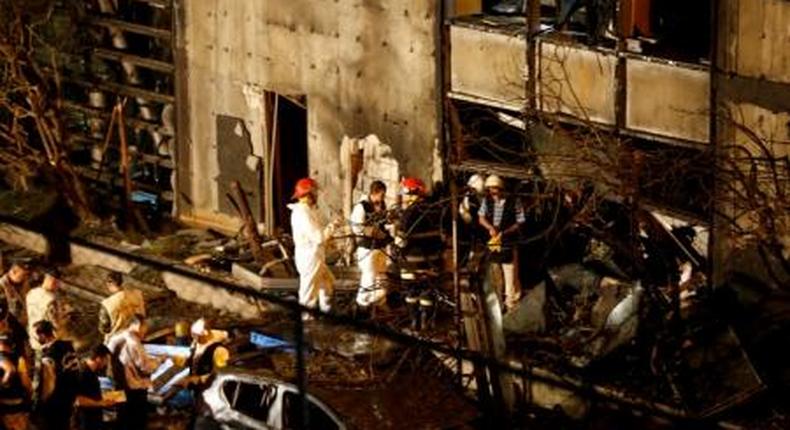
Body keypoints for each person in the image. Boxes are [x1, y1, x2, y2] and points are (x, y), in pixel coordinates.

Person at [393, 177, 445, 331]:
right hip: (433, 261)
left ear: (411, 193)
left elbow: (401, 241)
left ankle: (414, 322)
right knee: (427, 292)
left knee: (411, 292)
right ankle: (426, 322)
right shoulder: (437, 209)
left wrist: (394, 243)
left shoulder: (409, 212)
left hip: (411, 262)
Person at [288, 178, 335, 318]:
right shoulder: (303, 214)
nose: (317, 196)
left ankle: (327, 315)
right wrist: (332, 227)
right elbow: (319, 237)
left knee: (327, 284)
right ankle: (307, 326)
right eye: (315, 193)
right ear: (309, 194)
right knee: (308, 295)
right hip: (310, 258)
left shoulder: (307, 211)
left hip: (315, 256)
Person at [478, 175, 526, 312]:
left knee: (511, 274)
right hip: (493, 242)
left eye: (495, 188)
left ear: (501, 188)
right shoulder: (486, 201)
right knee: (495, 273)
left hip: (509, 241)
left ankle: (512, 305)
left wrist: (505, 232)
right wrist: (490, 228)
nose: (493, 192)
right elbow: (481, 218)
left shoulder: (513, 201)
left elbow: (520, 221)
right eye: (490, 189)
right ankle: (497, 306)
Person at [107, 315, 163, 430]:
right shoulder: (134, 342)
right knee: (136, 420)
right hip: (134, 388)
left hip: (118, 384)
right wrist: (159, 360)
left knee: (122, 417)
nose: (146, 331)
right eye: (145, 326)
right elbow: (145, 366)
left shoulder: (115, 337)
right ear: (138, 325)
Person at [350, 180, 392, 311]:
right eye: (382, 194)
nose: (383, 197)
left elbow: (384, 223)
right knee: (369, 278)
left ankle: (380, 303)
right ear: (375, 192)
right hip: (367, 249)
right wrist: (371, 231)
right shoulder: (361, 207)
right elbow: (356, 227)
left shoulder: (382, 205)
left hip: (380, 248)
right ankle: (361, 305)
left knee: (381, 277)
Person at [31, 320, 78, 430]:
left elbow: (50, 381)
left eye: (35, 336)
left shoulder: (49, 355)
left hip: (54, 404)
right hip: (69, 400)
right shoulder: (68, 347)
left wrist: (42, 400)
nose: (35, 340)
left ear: (42, 335)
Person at [73, 345, 118, 430]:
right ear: (98, 358)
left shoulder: (94, 371)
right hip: (85, 421)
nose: (106, 363)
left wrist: (112, 397)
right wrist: (100, 403)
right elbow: (78, 400)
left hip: (94, 420)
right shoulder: (82, 373)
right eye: (106, 360)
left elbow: (91, 393)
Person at [26, 268, 69, 351]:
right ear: (53, 281)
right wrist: (66, 317)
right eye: (57, 282)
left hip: (33, 336)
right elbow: (55, 323)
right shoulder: (51, 300)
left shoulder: (32, 293)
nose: (58, 285)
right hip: (48, 342)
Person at [98, 270, 145, 344]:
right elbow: (142, 315)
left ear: (110, 284)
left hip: (116, 340)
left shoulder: (107, 304)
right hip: (137, 335)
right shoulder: (137, 294)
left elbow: (104, 329)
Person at [185, 319, 230, 390]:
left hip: (208, 387)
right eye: (193, 335)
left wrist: (201, 378)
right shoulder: (196, 343)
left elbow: (222, 372)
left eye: (196, 335)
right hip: (194, 381)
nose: (193, 338)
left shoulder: (219, 350)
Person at [0, 335, 31, 430]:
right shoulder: (20, 359)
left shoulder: (0, 357)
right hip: (18, 403)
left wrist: (3, 385)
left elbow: (10, 369)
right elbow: (26, 383)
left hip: (4, 404)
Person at [0, 260, 31, 326]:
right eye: (23, 275)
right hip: (8, 325)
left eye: (26, 275)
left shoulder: (24, 283)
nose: (25, 278)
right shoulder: (2, 286)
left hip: (24, 323)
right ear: (13, 272)